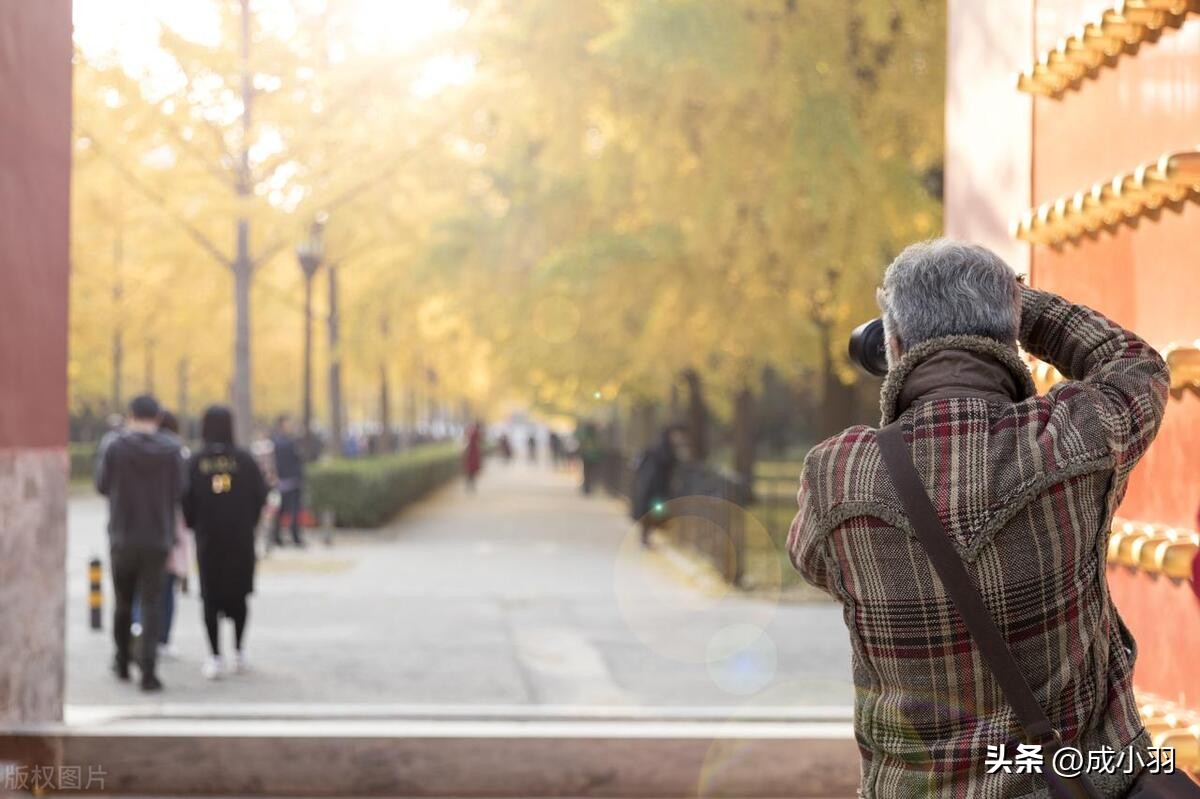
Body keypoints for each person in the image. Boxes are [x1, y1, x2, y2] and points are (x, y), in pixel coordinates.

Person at [787, 240, 1169, 797]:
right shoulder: (1071, 438)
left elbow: (814, 563)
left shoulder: (836, 475)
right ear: (1010, 332)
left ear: (892, 342)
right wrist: (1021, 306)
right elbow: (1136, 366)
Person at [94, 393, 184, 692]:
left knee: (122, 602)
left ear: (130, 414)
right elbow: (181, 490)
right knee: (152, 603)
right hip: (159, 536)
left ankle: (121, 660)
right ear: (157, 417)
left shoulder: (114, 446)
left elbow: (102, 485)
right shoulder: (173, 450)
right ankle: (149, 672)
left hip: (122, 535)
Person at [182, 405, 268, 680]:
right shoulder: (244, 459)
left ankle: (214, 656)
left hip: (209, 540)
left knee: (210, 597)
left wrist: (195, 524)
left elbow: (185, 500)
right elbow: (260, 495)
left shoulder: (195, 462)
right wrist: (249, 522)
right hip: (240, 538)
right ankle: (240, 651)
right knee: (240, 595)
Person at [131, 411, 191, 659]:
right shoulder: (179, 455)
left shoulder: (132, 452)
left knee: (140, 587)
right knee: (166, 588)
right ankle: (162, 639)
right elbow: (185, 494)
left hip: (135, 530)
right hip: (169, 531)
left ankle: (138, 628)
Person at [630, 425, 687, 547]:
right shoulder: (663, 450)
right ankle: (646, 536)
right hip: (655, 486)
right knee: (655, 510)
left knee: (655, 511)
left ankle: (646, 536)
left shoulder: (662, 448)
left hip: (654, 486)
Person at [270, 414, 306, 548]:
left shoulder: (280, 441)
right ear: (281, 425)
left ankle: (278, 537)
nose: (290, 426)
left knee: (284, 510)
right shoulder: (285, 443)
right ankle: (293, 536)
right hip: (288, 481)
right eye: (288, 424)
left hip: (287, 481)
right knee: (292, 510)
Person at [576, 422, 601, 494]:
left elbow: (581, 446)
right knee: (591, 473)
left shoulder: (586, 436)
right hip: (593, 458)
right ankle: (588, 486)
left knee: (586, 472)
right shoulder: (596, 436)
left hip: (587, 457)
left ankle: (587, 486)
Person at [463, 422, 483, 490]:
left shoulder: (472, 433)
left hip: (471, 453)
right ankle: (470, 485)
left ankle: (470, 485)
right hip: (472, 453)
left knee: (470, 470)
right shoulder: (474, 433)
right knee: (470, 470)